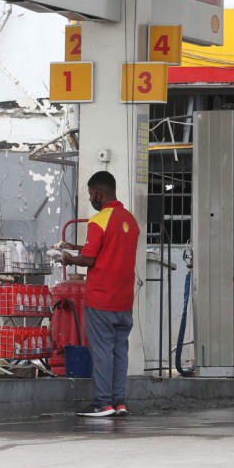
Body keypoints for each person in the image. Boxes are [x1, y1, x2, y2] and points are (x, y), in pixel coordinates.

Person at [61, 171, 140, 418]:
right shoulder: (131, 220)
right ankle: (119, 402)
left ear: (99, 193)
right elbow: (107, 250)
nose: (91, 199)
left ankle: (102, 403)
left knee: (102, 350)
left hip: (101, 298)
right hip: (124, 300)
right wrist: (74, 248)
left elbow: (91, 258)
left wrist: (67, 256)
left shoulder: (99, 220)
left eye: (90, 195)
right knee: (119, 351)